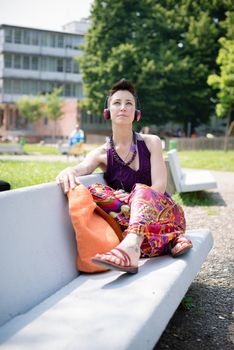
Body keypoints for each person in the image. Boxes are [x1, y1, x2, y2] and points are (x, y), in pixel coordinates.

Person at [56, 79, 192, 274]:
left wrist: (134, 197)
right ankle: (168, 240)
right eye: (117, 103)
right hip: (133, 224)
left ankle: (131, 247)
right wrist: (69, 170)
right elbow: (82, 167)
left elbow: (159, 187)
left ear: (136, 113)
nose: (123, 107)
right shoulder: (101, 153)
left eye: (129, 103)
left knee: (141, 191)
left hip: (164, 215)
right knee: (95, 191)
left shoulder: (151, 142)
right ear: (107, 112)